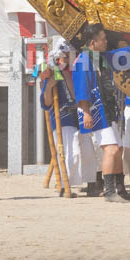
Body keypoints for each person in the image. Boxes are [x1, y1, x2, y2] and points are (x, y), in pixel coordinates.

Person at [72, 23, 130, 203]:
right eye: (103, 39)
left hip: (108, 108)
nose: (106, 42)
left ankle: (120, 188)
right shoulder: (82, 61)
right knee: (111, 148)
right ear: (93, 42)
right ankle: (109, 191)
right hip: (96, 109)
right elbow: (81, 89)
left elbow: (119, 56)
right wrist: (86, 112)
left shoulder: (99, 57)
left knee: (118, 148)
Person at [40, 39, 100, 197]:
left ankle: (92, 182)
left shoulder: (80, 69)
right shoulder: (54, 71)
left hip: (81, 113)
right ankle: (65, 185)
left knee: (88, 149)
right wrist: (50, 86)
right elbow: (45, 102)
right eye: (66, 55)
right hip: (63, 116)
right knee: (71, 150)